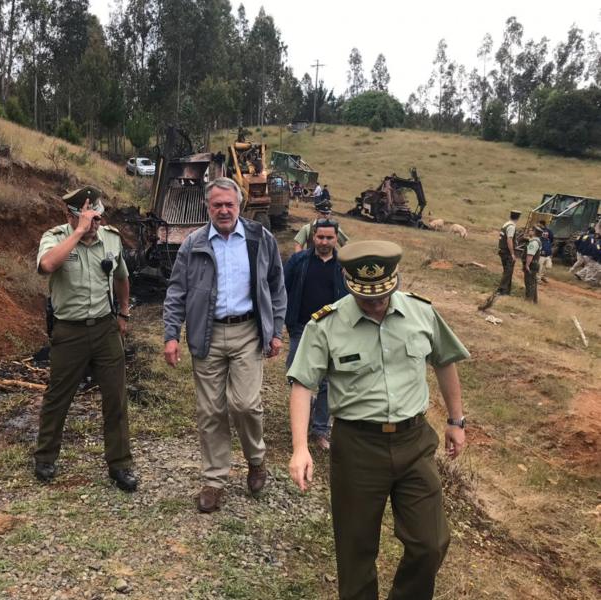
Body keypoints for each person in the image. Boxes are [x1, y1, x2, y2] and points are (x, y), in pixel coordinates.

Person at [287, 240, 469, 600]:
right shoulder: (326, 325)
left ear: (394, 280)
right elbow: (303, 386)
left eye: (382, 296)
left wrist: (456, 420)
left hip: (414, 441)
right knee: (356, 551)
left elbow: (445, 360)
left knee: (430, 543)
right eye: (366, 298)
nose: (375, 303)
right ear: (347, 279)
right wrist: (299, 448)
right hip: (357, 446)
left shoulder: (421, 313)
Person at [162, 177, 287, 513]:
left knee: (245, 404)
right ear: (208, 207)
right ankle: (214, 480)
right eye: (217, 205)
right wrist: (171, 335)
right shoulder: (194, 243)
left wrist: (275, 330)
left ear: (239, 205)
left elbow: (276, 285)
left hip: (248, 331)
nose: (223, 210)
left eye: (229, 204)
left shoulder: (261, 239)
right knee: (211, 411)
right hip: (208, 334)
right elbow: (176, 292)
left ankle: (256, 459)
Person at [34, 186, 137, 492]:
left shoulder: (112, 238)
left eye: (98, 218)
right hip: (69, 331)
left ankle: (120, 465)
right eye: (89, 218)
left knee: (115, 398)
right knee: (58, 397)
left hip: (105, 329)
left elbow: (121, 277)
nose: (95, 225)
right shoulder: (55, 238)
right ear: (72, 215)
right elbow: (47, 266)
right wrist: (77, 234)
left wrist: (123, 313)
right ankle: (46, 457)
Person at [283, 219, 349, 450]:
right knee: (296, 376)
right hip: (301, 327)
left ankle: (320, 429)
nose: (324, 242)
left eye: (329, 237)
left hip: (334, 330)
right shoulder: (298, 261)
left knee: (328, 382)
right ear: (313, 237)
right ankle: (303, 412)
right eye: (320, 237)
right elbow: (282, 288)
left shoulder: (344, 266)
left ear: (336, 238)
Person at [497, 210, 521, 295]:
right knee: (508, 271)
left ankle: (507, 290)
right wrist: (512, 253)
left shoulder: (506, 224)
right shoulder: (511, 226)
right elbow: (509, 240)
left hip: (502, 250)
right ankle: (502, 290)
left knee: (508, 271)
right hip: (507, 252)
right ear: (518, 217)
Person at [522, 225, 541, 303]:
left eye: (530, 230)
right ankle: (534, 300)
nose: (529, 231)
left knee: (529, 282)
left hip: (531, 265)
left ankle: (528, 300)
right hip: (535, 264)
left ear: (534, 232)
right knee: (533, 282)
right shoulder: (537, 241)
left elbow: (530, 255)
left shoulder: (533, 242)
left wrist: (527, 265)